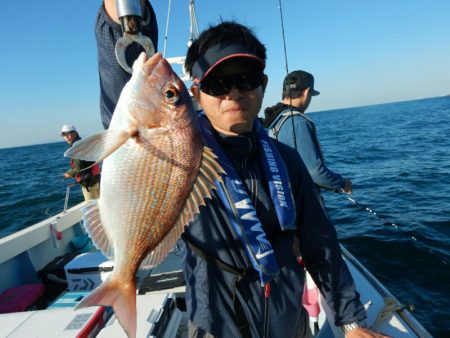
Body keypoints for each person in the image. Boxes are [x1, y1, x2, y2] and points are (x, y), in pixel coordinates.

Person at [97, 2, 389, 337]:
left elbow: (319, 244)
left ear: (263, 84)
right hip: (215, 326)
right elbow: (119, 83)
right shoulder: (176, 153)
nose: (233, 92)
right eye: (217, 83)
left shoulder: (288, 160)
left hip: (289, 323)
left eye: (245, 79)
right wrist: (119, 17)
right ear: (196, 93)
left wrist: (351, 322)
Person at [264, 70, 353, 194]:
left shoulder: (273, 120)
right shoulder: (299, 122)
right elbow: (315, 172)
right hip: (302, 202)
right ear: (306, 92)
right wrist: (342, 183)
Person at [61, 125, 100, 200]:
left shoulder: (76, 147)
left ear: (76, 133)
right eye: (64, 135)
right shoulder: (84, 142)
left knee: (92, 208)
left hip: (89, 184)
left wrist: (69, 173)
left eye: (69, 133)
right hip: (97, 179)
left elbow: (78, 168)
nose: (67, 136)